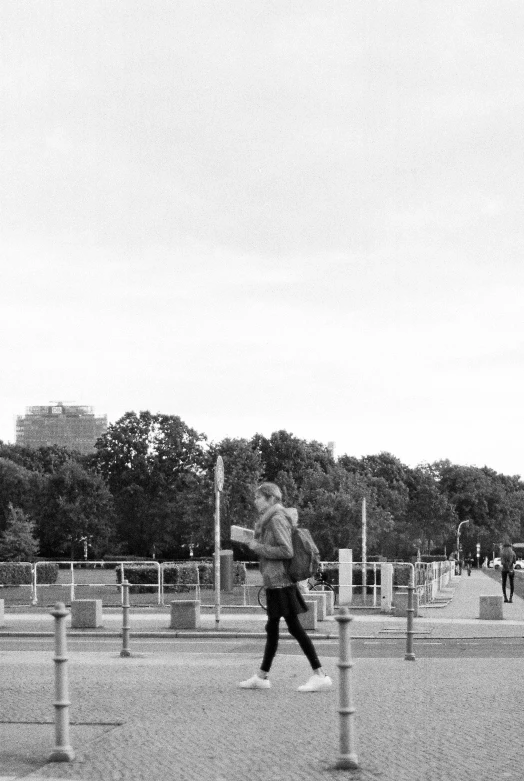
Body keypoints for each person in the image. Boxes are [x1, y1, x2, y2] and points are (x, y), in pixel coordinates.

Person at [238, 482, 332, 692]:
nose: (255, 501)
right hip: (276, 581)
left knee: (293, 628)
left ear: (271, 499)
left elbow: (286, 551)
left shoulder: (277, 519)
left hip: (280, 582)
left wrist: (258, 547)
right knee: (275, 628)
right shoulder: (271, 519)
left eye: (258, 497)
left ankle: (319, 674)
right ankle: (263, 676)